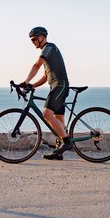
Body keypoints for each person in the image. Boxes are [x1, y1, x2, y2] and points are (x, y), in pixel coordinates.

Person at [21, 26, 73, 160]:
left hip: (59, 86)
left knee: (46, 114)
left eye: (34, 39)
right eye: (31, 40)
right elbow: (45, 77)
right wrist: (32, 85)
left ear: (42, 37)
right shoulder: (47, 54)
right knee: (58, 121)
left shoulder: (49, 48)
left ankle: (67, 143)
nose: (32, 42)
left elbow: (36, 66)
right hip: (56, 86)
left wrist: (26, 81)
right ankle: (59, 151)